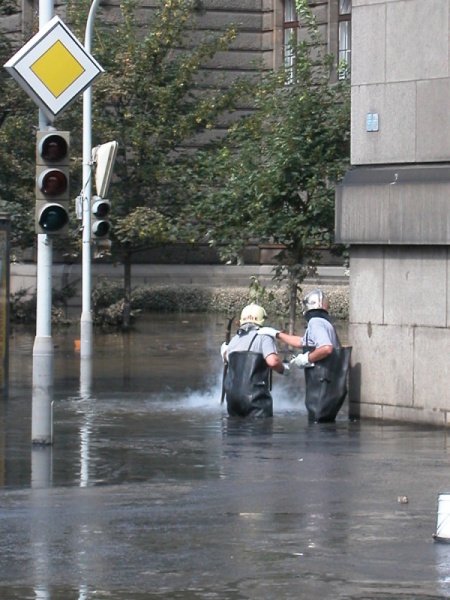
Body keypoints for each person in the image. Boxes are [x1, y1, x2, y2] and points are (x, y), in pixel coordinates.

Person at [258, 289, 351, 423]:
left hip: (321, 384)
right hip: (330, 385)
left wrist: (307, 359)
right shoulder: (325, 323)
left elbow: (326, 348)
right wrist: (277, 334)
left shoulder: (316, 323)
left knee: (317, 425)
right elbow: (302, 342)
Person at [220, 303, 290, 418]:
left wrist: (224, 352)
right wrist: (284, 369)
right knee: (259, 433)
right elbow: (273, 361)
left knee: (233, 433)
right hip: (255, 400)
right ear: (262, 320)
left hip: (233, 400)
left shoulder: (234, 339)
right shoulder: (264, 337)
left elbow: (228, 359)